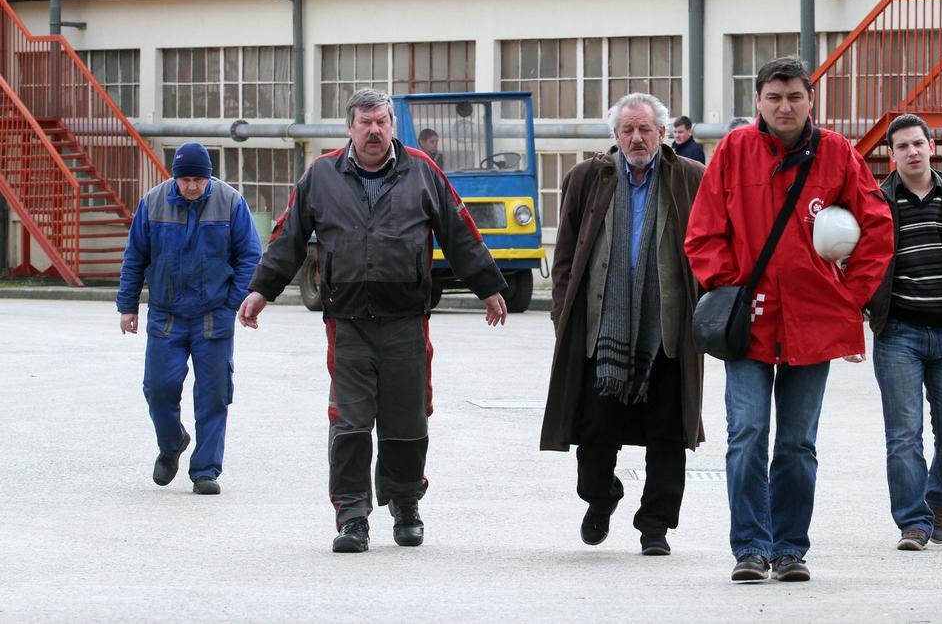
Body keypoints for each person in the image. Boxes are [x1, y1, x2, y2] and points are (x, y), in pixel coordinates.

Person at [237, 88, 508, 554]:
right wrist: (262, 289)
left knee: (408, 421)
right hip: (347, 323)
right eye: (365, 123)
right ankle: (352, 517)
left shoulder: (422, 170)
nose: (374, 131)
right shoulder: (321, 174)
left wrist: (488, 285)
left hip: (406, 320)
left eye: (381, 122)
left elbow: (458, 229)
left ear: (391, 126)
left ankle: (405, 504)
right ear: (350, 128)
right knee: (350, 423)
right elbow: (289, 235)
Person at [685, 57, 894, 583]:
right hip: (749, 323)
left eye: (794, 97)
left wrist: (848, 297)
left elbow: (877, 226)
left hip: (813, 322)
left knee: (798, 443)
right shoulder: (734, 150)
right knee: (747, 433)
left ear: (810, 100)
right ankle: (751, 548)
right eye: (774, 97)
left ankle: (790, 549)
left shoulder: (838, 153)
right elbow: (703, 233)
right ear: (758, 100)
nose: (784, 107)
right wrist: (732, 287)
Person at [541, 93, 706, 556]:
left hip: (667, 332)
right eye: (628, 130)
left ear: (662, 133)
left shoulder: (690, 177)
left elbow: (711, 245)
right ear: (615, 134)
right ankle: (601, 495)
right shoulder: (587, 178)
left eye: (645, 129)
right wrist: (561, 315)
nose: (637, 138)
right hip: (602, 329)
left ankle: (655, 526)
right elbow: (566, 256)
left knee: (667, 434)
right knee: (594, 431)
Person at [866, 113, 942, 551]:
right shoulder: (877, 201)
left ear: (931, 146)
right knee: (903, 436)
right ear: (892, 154)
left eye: (918, 143)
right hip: (898, 334)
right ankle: (913, 523)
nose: (912, 151)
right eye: (902, 146)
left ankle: (939, 500)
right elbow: (858, 259)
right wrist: (862, 310)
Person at [117, 141, 262, 496]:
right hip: (167, 313)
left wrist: (233, 303)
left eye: (199, 179)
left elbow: (250, 255)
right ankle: (172, 444)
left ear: (208, 177)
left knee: (214, 394)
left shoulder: (230, 202)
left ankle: (205, 471)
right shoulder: (152, 203)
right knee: (158, 388)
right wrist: (128, 306)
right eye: (186, 180)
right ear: (175, 177)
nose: (193, 186)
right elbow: (135, 256)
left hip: (213, 314)